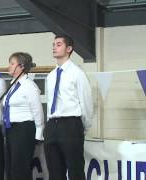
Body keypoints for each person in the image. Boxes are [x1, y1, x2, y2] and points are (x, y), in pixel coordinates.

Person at [44, 34, 93, 180]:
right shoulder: (51, 76)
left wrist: (82, 125)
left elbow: (86, 101)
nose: (54, 47)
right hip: (53, 124)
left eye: (58, 44)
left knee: (75, 169)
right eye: (53, 44)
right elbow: (49, 101)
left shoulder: (77, 73)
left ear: (69, 48)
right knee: (54, 170)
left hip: (71, 123)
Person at [3, 52, 44, 180]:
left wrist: (39, 133)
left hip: (24, 129)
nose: (8, 67)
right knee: (11, 167)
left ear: (21, 66)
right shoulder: (13, 85)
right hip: (11, 130)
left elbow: (38, 111)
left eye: (12, 64)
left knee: (19, 168)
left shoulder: (29, 85)